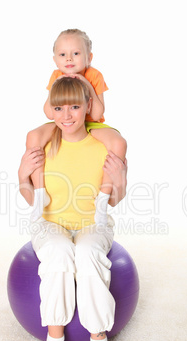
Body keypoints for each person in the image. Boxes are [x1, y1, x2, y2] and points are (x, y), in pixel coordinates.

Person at [18, 77, 127, 341]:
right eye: (59, 108)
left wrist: (120, 179)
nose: (67, 115)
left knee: (87, 252)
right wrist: (20, 174)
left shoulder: (103, 145)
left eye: (75, 107)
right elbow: (33, 201)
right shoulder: (43, 144)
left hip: (94, 224)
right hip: (50, 224)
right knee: (59, 251)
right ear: (50, 110)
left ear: (88, 107)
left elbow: (114, 200)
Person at [27, 28, 127, 225]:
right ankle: (40, 194)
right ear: (55, 59)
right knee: (33, 137)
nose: (69, 59)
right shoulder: (56, 75)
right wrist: (57, 85)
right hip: (64, 121)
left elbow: (97, 114)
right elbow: (49, 112)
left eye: (76, 53)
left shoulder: (94, 74)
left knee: (118, 143)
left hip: (90, 123)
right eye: (63, 54)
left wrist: (85, 84)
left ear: (88, 57)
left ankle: (102, 199)